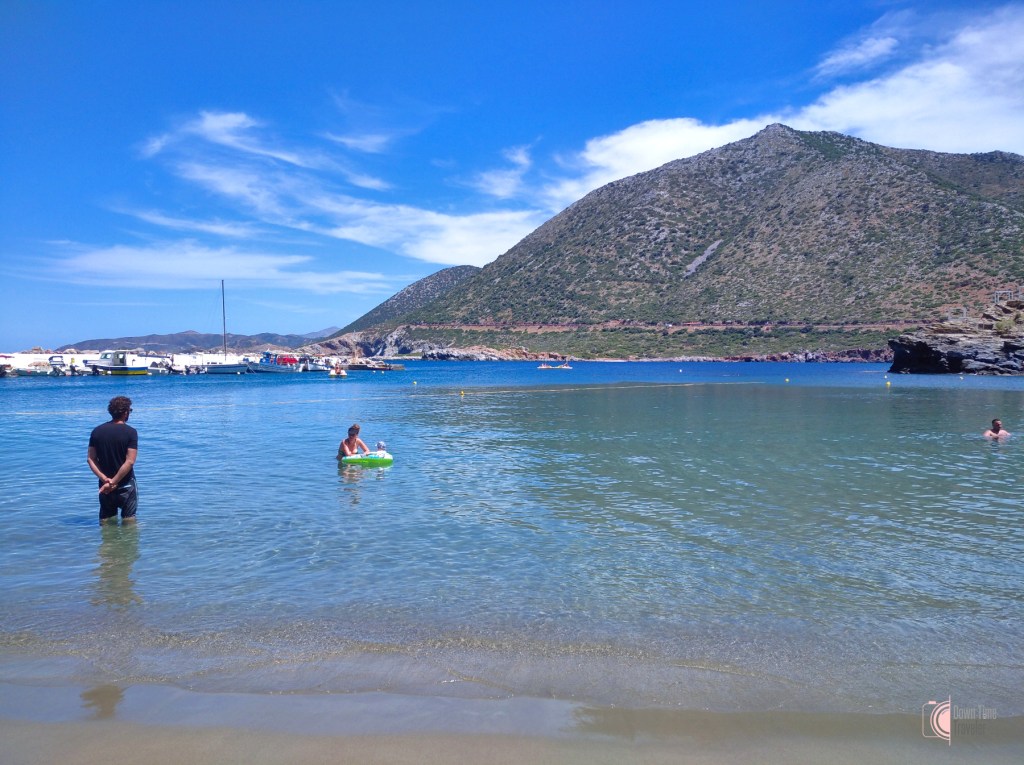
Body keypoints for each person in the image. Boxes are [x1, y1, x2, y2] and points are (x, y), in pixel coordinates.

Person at [87, 396, 139, 523]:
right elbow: (130, 461)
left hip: (104, 486)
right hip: (126, 484)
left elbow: (90, 459)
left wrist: (105, 480)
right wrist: (114, 482)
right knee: (129, 523)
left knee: (106, 522)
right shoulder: (131, 432)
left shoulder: (97, 432)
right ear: (125, 412)